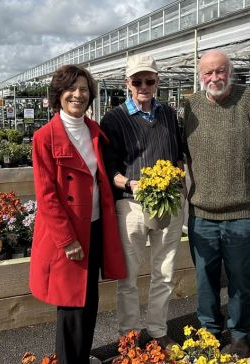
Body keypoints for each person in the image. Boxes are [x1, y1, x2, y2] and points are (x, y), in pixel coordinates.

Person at [183, 50, 250, 358]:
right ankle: (210, 332)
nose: (214, 78)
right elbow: (177, 153)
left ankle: (239, 334)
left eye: (220, 71)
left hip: (241, 212)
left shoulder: (249, 99)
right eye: (208, 73)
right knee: (205, 280)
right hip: (201, 214)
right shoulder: (189, 106)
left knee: (240, 280)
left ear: (230, 72)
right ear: (200, 77)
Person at [29, 65, 126, 364]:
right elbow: (46, 197)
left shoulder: (94, 131)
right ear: (59, 95)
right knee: (71, 305)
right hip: (68, 233)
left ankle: (82, 357)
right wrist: (67, 240)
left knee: (90, 298)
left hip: (95, 225)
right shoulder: (44, 137)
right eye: (71, 89)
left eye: (84, 89)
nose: (78, 94)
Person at [100, 54, 184, 351]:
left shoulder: (169, 115)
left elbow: (178, 155)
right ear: (128, 84)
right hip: (132, 206)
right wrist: (130, 183)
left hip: (169, 204)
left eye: (149, 80)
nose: (144, 86)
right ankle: (130, 335)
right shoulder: (114, 119)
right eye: (137, 81)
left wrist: (176, 175)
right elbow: (109, 169)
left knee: (165, 270)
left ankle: (158, 330)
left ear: (157, 82)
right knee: (129, 275)